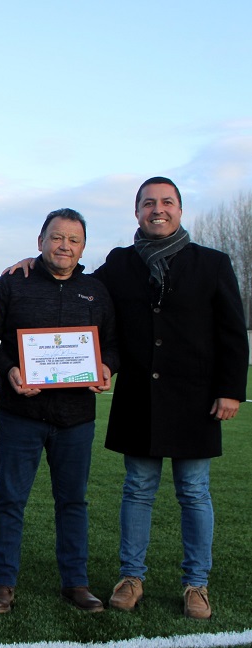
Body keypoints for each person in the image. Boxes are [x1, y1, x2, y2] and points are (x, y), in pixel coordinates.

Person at [95, 178, 248, 619]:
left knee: (195, 492)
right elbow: (78, 286)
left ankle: (196, 583)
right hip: (139, 398)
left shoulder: (213, 263)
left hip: (196, 400)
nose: (157, 209)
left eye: (166, 202)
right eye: (148, 203)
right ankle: (131, 577)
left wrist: (230, 390)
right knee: (138, 489)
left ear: (180, 210)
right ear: (137, 212)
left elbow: (232, 332)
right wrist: (36, 262)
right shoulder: (120, 263)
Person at [0, 208, 118, 614]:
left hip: (76, 419)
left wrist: (107, 365)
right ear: (40, 241)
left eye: (73, 240)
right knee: (9, 500)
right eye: (57, 237)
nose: (64, 246)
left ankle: (76, 582)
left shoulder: (96, 290)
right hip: (20, 414)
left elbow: (113, 343)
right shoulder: (12, 283)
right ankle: (2, 584)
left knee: (73, 502)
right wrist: (8, 369)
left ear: (82, 247)